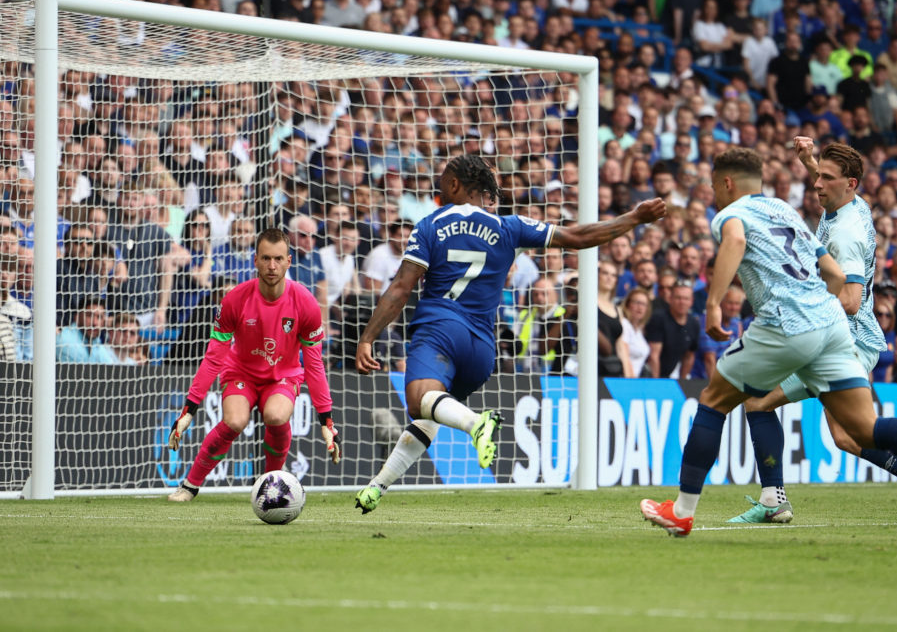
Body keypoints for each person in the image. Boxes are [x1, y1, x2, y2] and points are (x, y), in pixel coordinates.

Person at [640, 148, 897, 538]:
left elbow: (842, 291)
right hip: (832, 329)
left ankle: (685, 510)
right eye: (817, 177)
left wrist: (712, 305)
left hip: (807, 325)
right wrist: (814, 167)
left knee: (715, 400)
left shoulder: (744, 217)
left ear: (727, 184)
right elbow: (828, 266)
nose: (817, 184)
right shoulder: (800, 210)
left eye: (713, 185)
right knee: (857, 430)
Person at [353, 155, 666, 513]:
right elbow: (578, 237)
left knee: (418, 399)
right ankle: (378, 486)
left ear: (455, 184)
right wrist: (634, 218)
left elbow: (400, 289)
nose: (438, 187)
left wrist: (368, 337)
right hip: (483, 349)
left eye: (442, 180)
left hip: (441, 328)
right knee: (432, 413)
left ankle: (476, 424)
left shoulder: (429, 225)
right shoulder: (509, 226)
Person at [731, 140, 897, 530]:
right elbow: (831, 187)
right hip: (845, 340)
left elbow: (852, 300)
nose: (817, 185)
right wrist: (809, 161)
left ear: (851, 183)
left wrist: (797, 309)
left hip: (845, 341)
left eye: (825, 178)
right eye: (818, 176)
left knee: (768, 405)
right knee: (845, 436)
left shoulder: (846, 235)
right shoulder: (851, 204)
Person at [165, 227, 341, 502]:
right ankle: (189, 486)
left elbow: (315, 365)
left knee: (276, 416)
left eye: (279, 259)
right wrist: (189, 408)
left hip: (283, 377)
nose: (272, 266)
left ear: (289, 261)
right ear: (255, 260)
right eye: (266, 258)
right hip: (241, 373)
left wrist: (326, 420)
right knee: (235, 420)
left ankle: (269, 487)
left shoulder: (306, 303)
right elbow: (213, 357)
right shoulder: (235, 299)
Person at [620, 287, 652, 377]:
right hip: (626, 380)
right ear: (628, 304)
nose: (640, 307)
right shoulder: (624, 324)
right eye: (637, 302)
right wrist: (631, 380)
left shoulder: (638, 331)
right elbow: (624, 356)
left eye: (644, 304)